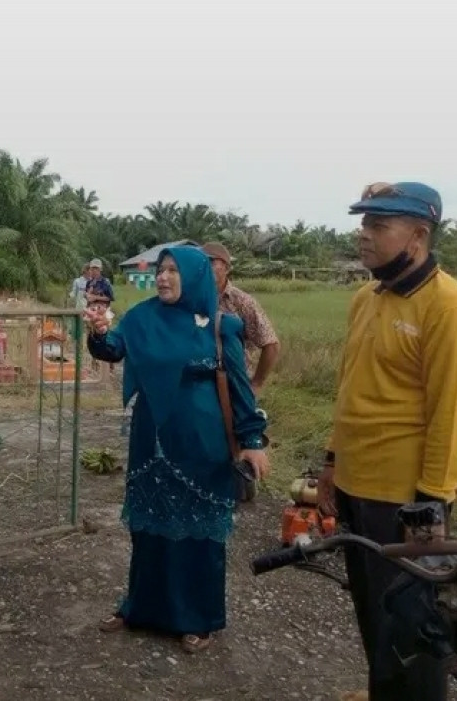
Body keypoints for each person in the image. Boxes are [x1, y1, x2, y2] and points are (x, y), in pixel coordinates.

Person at [316, 181, 457, 701]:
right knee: (373, 609)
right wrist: (331, 461)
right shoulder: (366, 298)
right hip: (356, 483)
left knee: (413, 624)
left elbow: (450, 415)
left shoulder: (448, 308)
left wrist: (431, 506)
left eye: (377, 225)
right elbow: (351, 389)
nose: (363, 235)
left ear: (417, 234)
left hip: (406, 499)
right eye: (363, 223)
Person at [86, 246, 270, 652]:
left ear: (195, 275)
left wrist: (253, 441)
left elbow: (239, 387)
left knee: (200, 534)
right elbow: (112, 349)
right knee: (148, 528)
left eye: (172, 270)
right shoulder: (142, 317)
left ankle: (198, 619)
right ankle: (139, 607)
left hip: (201, 444)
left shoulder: (221, 326)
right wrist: (98, 331)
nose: (163, 278)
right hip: (151, 440)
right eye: (159, 270)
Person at [202, 241, 280, 394]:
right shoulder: (192, 300)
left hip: (235, 384)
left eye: (211, 261)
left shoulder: (242, 302)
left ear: (226, 268)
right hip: (202, 384)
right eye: (202, 262)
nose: (205, 266)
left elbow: (271, 344)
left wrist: (256, 384)